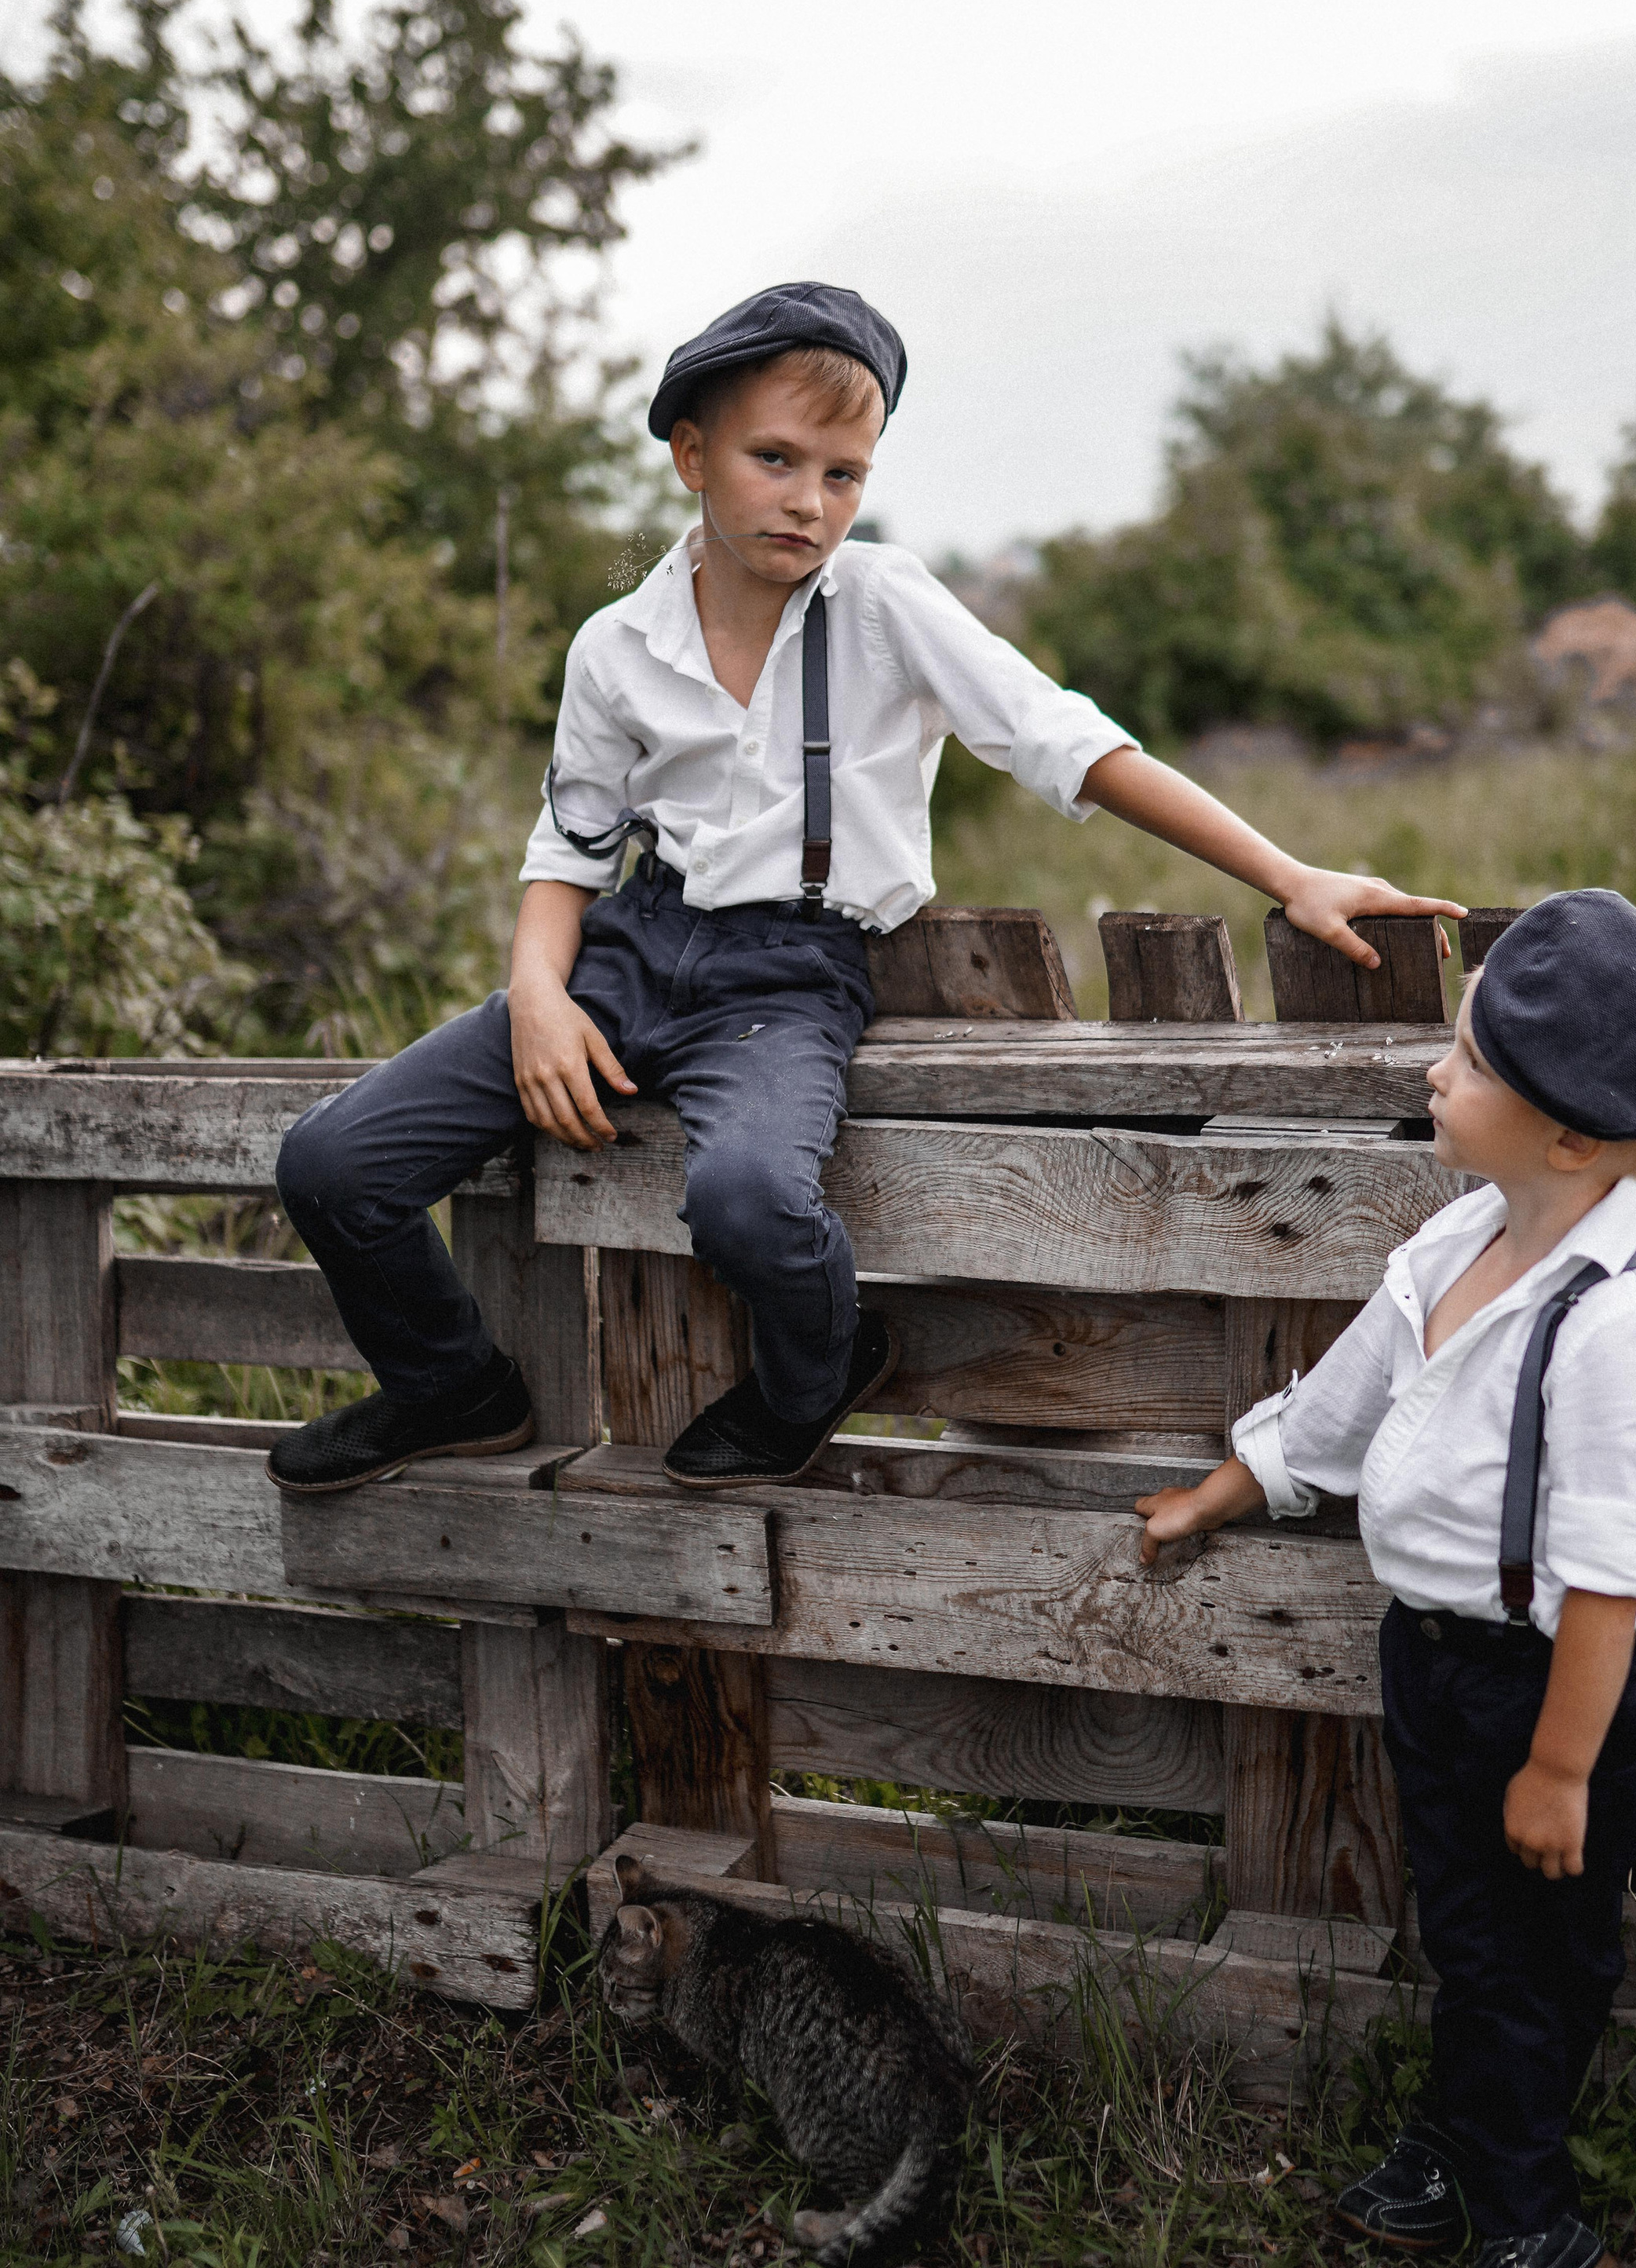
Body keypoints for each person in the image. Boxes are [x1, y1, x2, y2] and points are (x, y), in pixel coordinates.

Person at [268, 279, 1461, 1499]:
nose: (808, 501)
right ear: (691, 453)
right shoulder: (615, 647)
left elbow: (1069, 744)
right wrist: (535, 992)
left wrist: (1288, 872)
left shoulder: (883, 605)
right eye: (774, 459)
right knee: (331, 1163)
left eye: (844, 473)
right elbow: (570, 845)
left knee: (744, 1199)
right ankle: (451, 1388)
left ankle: (815, 1375)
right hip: (629, 951)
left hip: (789, 976)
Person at [1134, 889, 1636, 2268]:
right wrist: (1225, 1492)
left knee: (1533, 1959)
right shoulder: (1455, 1241)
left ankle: (1534, 2222)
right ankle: (1456, 2149)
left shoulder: (1626, 1325)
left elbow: (1608, 1572)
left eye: (1461, 1064)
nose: (1429, 1074)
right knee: (1465, 1933)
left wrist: (1563, 1768)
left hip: (1556, 1696)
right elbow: (1337, 1407)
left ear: (1570, 1138)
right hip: (1436, 1667)